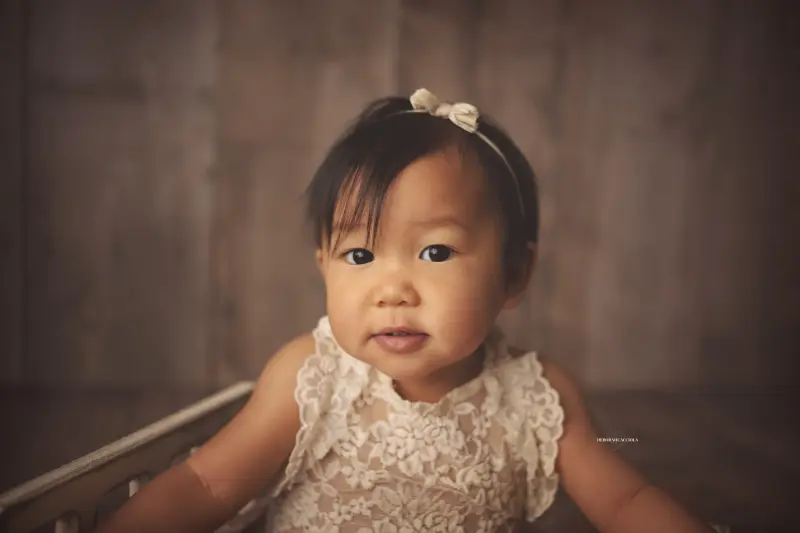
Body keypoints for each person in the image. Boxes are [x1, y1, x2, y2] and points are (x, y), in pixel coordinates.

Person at [95, 89, 714, 533]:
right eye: (360, 253)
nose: (392, 289)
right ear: (323, 266)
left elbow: (628, 500)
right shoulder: (311, 377)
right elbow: (206, 485)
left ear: (514, 274)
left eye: (435, 251)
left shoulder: (539, 397)